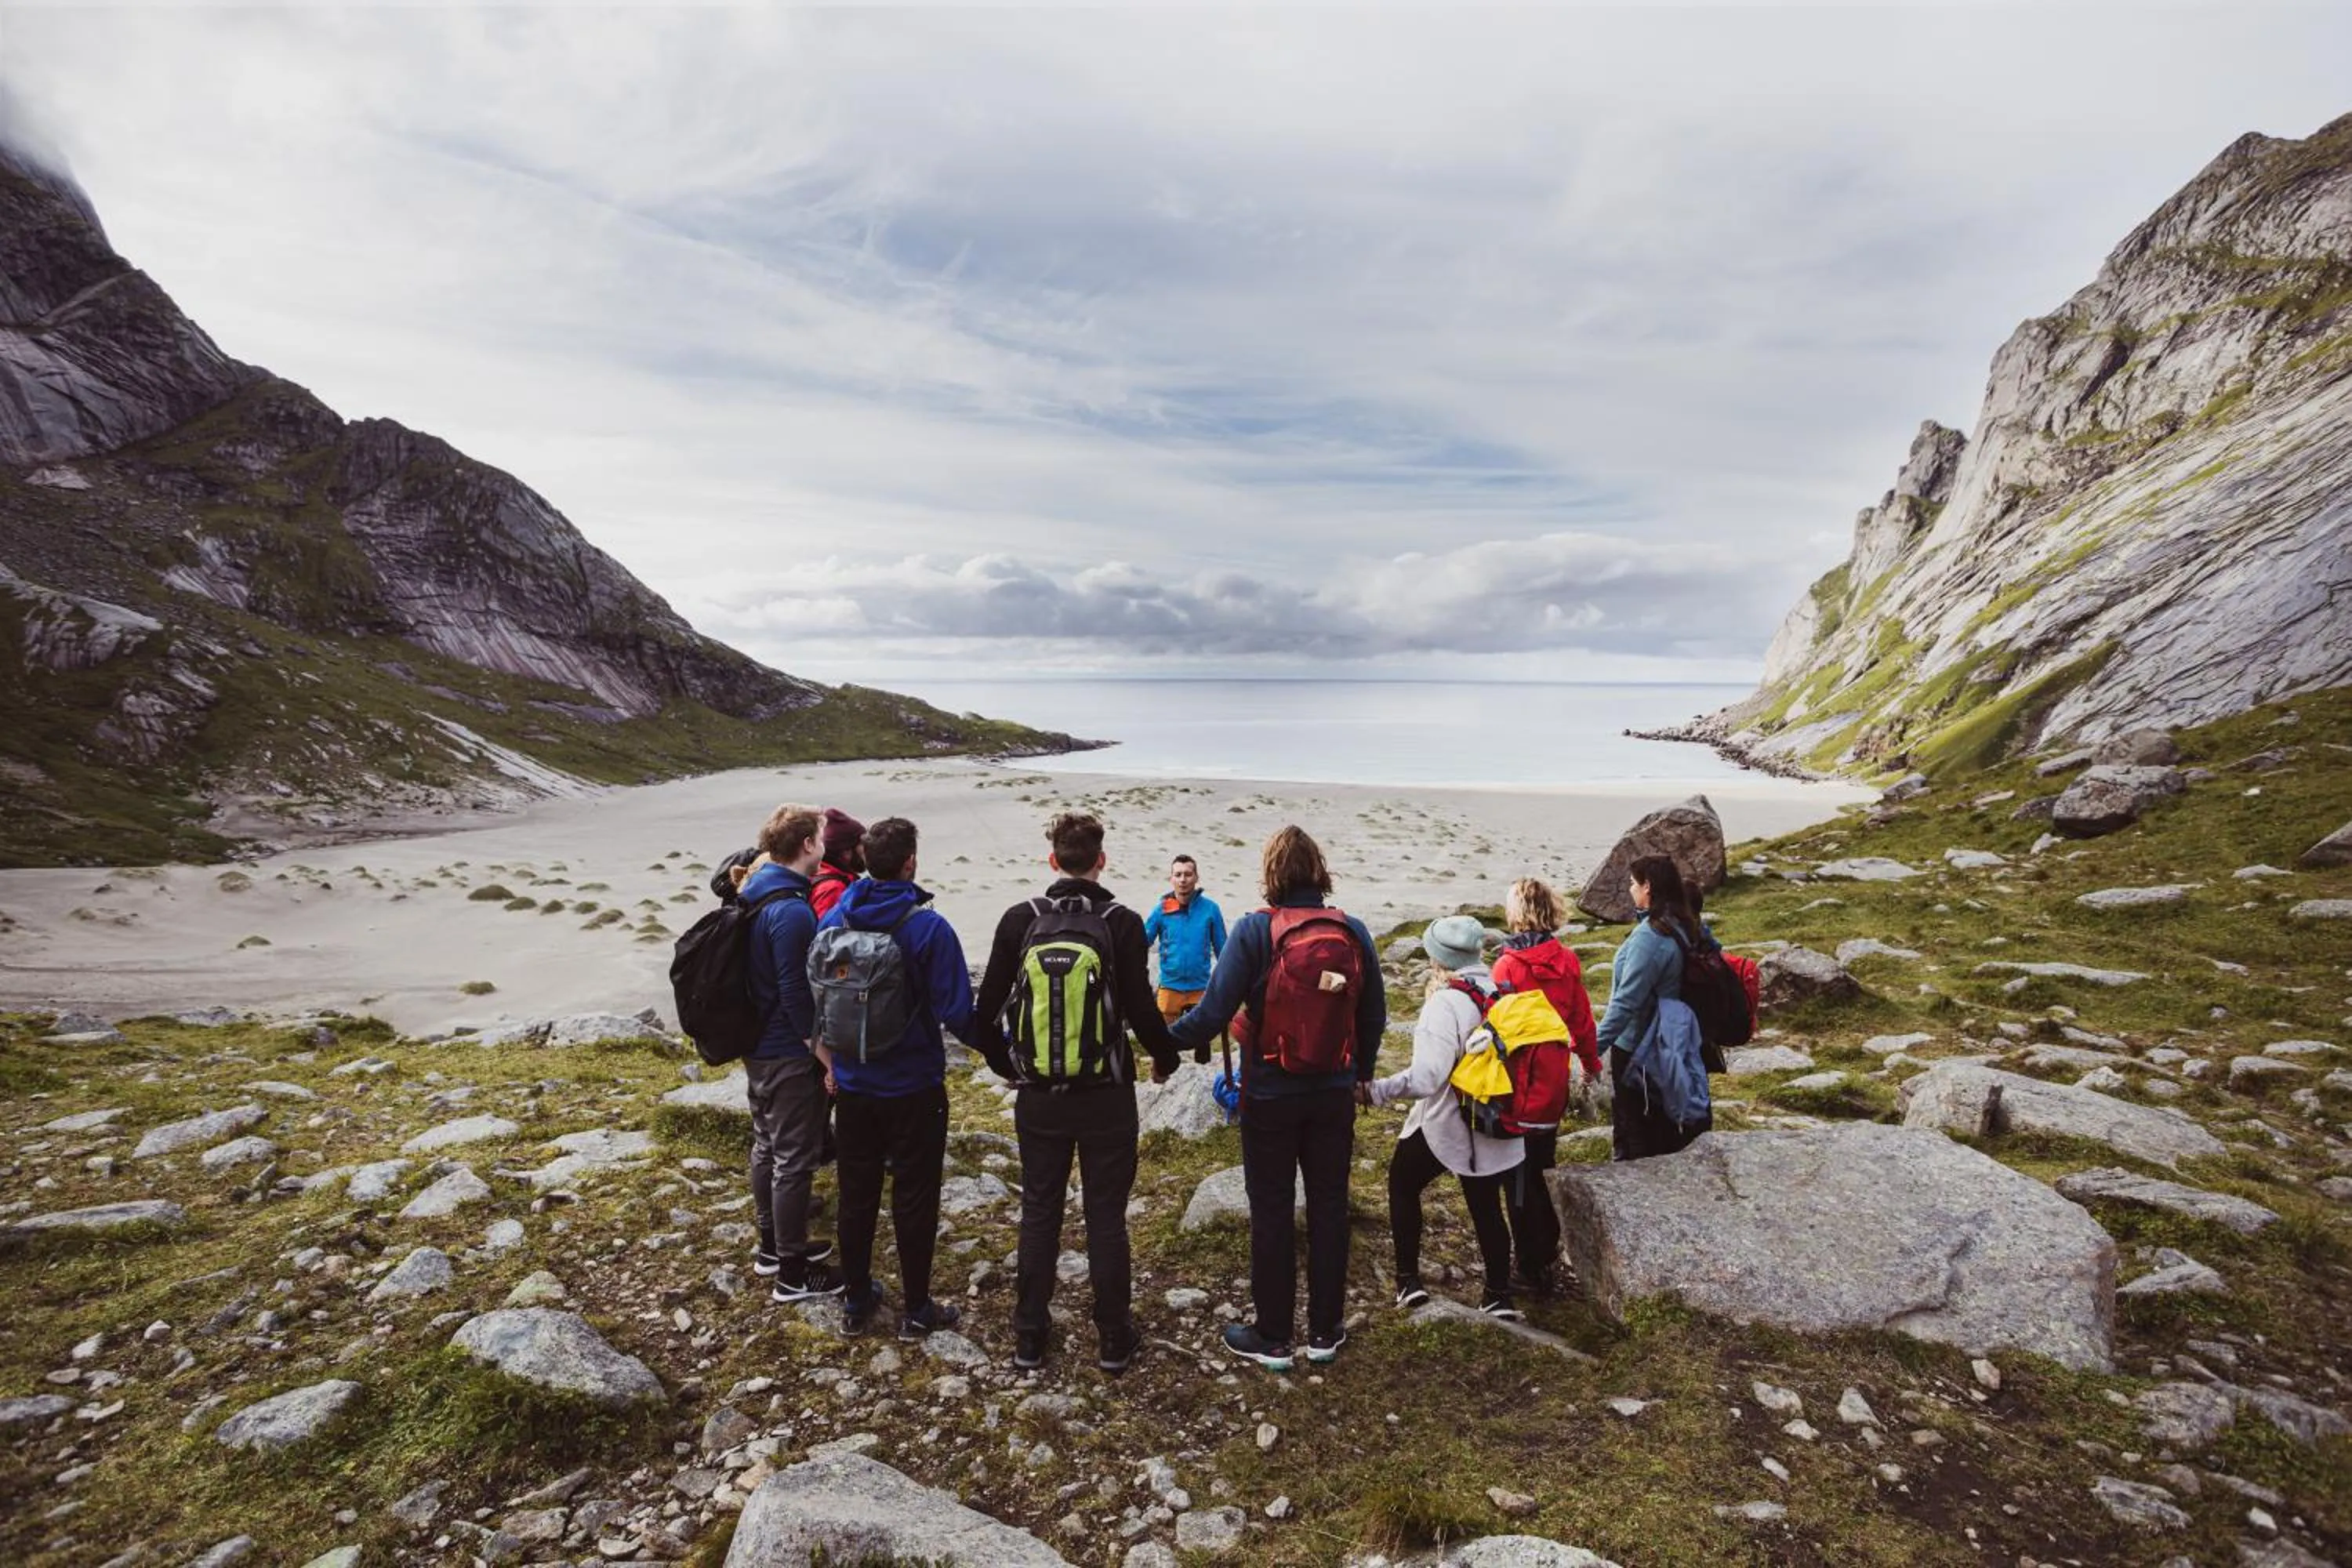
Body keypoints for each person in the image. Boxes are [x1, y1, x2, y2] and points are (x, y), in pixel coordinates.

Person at [972, 812, 1184, 1374]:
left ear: (1052, 861)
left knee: (1039, 1211)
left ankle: (1029, 1338)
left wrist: (1006, 1064)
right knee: (1106, 1217)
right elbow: (1142, 1010)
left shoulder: (1020, 919)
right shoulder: (1123, 922)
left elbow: (982, 1013)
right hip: (1108, 1096)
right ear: (1101, 860)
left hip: (1039, 1096)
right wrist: (1165, 1058)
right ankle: (1114, 1338)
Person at [1171, 826, 1385, 1371]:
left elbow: (1213, 1013)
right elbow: (1373, 1014)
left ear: (1271, 875)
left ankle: (1271, 1336)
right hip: (1333, 1091)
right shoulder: (1352, 930)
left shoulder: (1253, 932)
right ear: (1319, 871)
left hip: (1269, 1091)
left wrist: (1160, 1037)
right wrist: (1359, 1073)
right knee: (1329, 1206)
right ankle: (1325, 1331)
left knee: (1271, 1210)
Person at [811, 816, 979, 1338]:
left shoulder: (835, 918)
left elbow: (818, 992)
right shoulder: (929, 927)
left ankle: (858, 1301)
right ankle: (918, 1309)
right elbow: (958, 1012)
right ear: (910, 863)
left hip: (855, 1085)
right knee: (915, 1196)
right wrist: (1003, 1055)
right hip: (914, 1084)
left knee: (856, 1192)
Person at [1370, 914, 1526, 1320]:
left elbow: (1426, 1079)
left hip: (1453, 1123)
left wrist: (1377, 1091)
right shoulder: (1506, 992)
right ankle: (1497, 1294)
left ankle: (1408, 1283)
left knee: (1402, 1183)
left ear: (1437, 957)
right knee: (1487, 1204)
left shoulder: (1446, 1003)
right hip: (1499, 1120)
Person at [737, 807, 840, 1299]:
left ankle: (772, 1246)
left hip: (756, 1045)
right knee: (794, 1159)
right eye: (820, 838)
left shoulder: (755, 893)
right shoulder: (793, 911)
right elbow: (798, 998)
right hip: (785, 1051)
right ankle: (794, 1275)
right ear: (806, 845)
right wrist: (828, 1061)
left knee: (767, 1144)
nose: (825, 845)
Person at [1487, 877, 1599, 1294]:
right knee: (1543, 1167)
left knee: (1517, 1178)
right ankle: (1546, 1254)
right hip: (1553, 1081)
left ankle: (1529, 1267)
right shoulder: (1566, 960)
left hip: (1518, 1085)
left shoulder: (1507, 967)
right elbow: (1583, 1019)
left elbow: (1494, 1028)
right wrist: (1589, 1061)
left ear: (1517, 913)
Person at [1595, 854, 1715, 1161]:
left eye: (1633, 883)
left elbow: (1625, 1004)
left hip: (1639, 1050)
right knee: (1660, 1129)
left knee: (1634, 1135)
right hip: (1668, 1041)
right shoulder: (1682, 923)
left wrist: (1591, 1048)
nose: (1630, 888)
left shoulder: (1651, 938)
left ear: (1647, 887)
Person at [1143, 854, 1226, 1026]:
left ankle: (1202, 1054)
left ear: (1196, 877)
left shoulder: (1211, 909)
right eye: (1178, 875)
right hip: (1169, 986)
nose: (1183, 880)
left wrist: (1226, 984)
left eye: (1188, 874)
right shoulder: (1161, 909)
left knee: (1202, 1041)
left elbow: (1223, 951)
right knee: (1164, 1041)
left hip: (1201, 987)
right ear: (1171, 878)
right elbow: (1142, 943)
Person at [811, 809, 866, 919]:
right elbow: (826, 934)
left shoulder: (818, 872)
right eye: (861, 844)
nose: (866, 849)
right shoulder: (833, 889)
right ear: (846, 852)